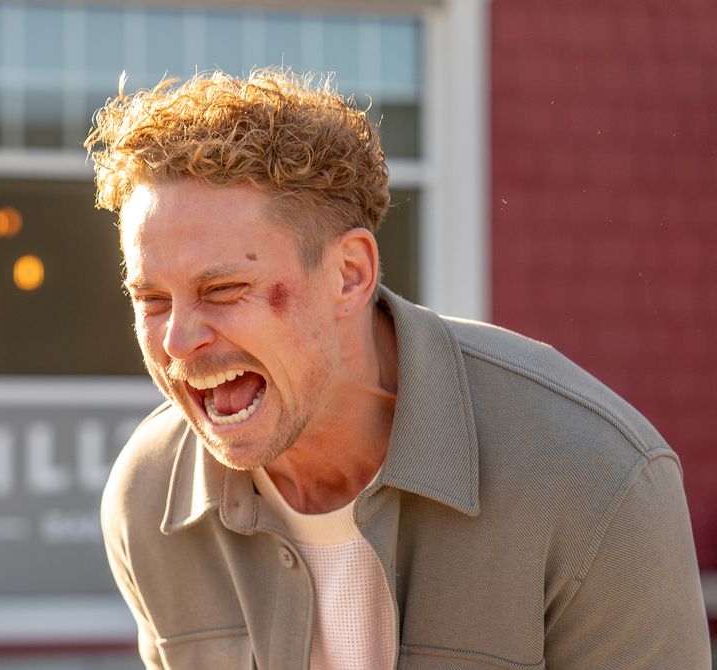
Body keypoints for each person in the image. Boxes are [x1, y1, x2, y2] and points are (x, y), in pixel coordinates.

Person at [85, 67, 709, 669]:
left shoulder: (596, 480)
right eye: (152, 300)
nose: (178, 340)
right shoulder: (149, 496)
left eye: (223, 290)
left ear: (349, 275)